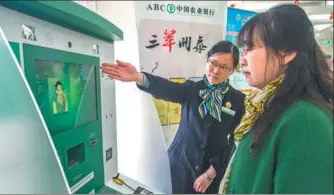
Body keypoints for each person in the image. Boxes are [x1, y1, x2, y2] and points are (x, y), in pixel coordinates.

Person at [101, 41, 246, 194]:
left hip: (210, 173)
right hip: (179, 166)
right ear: (207, 59)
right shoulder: (192, 89)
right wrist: (139, 77)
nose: (216, 70)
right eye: (213, 63)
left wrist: (212, 172)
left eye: (223, 67)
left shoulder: (239, 101)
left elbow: (236, 142)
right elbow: (167, 88)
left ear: (232, 70)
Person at [218, 4, 333, 194]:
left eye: (250, 48)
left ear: (286, 53)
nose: (243, 59)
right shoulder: (265, 107)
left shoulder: (305, 122)